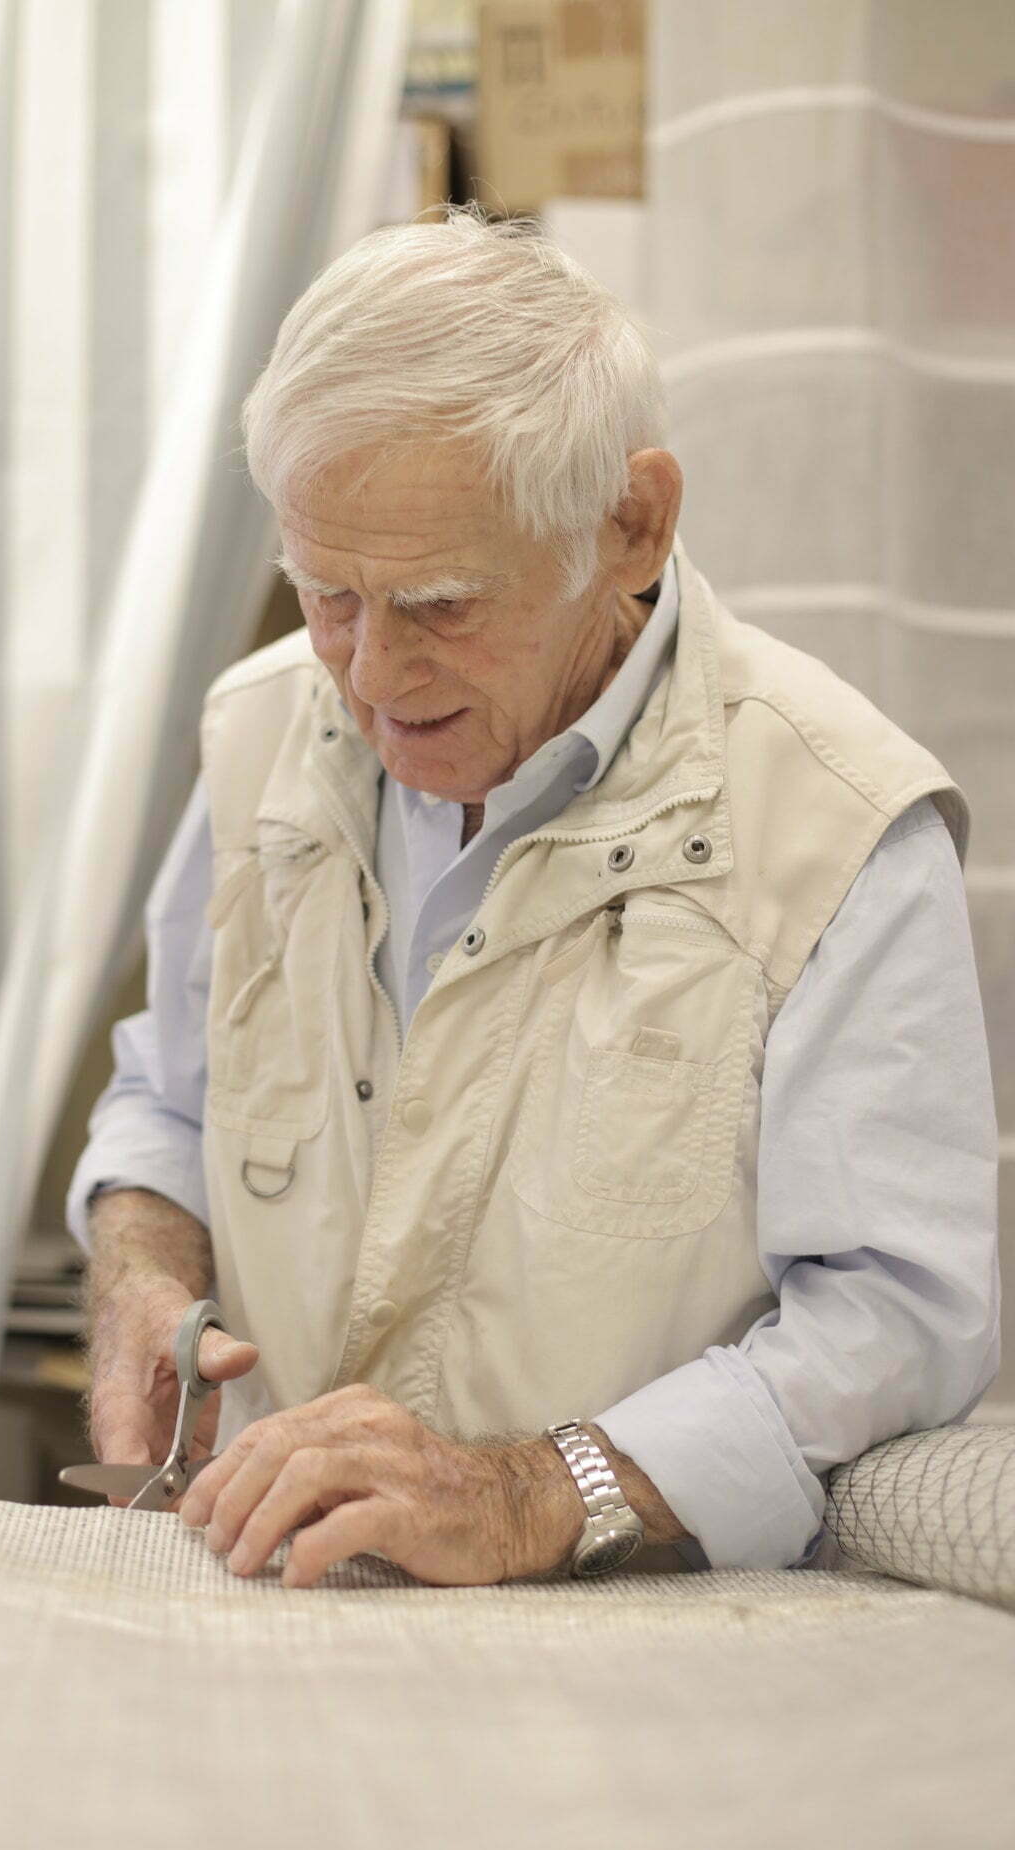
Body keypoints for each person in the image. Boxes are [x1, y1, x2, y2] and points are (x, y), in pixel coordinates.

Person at [67, 206, 999, 1589]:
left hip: (645, 1679)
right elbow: (170, 1098)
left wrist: (530, 1493)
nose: (372, 676)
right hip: (273, 1622)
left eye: (440, 603)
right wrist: (139, 1268)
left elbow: (902, 1318)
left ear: (631, 525)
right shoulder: (263, 731)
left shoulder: (829, 818)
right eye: (328, 595)